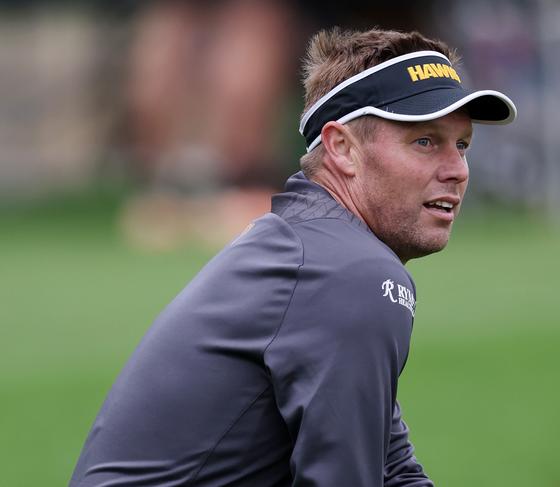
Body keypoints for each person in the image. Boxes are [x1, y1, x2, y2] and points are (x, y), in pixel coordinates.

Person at [70, 28, 516, 486]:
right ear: (342, 148)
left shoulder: (315, 249)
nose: (457, 170)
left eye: (462, 144)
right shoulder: (350, 273)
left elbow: (393, 468)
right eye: (425, 141)